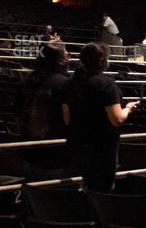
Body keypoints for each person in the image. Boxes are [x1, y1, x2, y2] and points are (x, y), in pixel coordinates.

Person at [62, 43, 139, 191]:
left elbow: (67, 119)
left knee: (85, 187)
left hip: (78, 145)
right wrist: (128, 108)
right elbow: (117, 119)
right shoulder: (106, 84)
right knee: (102, 190)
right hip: (101, 149)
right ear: (103, 61)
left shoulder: (70, 83)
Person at [18, 44, 70, 179]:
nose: (69, 60)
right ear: (60, 61)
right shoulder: (64, 84)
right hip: (55, 155)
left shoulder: (26, 82)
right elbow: (69, 120)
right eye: (66, 56)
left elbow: (17, 116)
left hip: (28, 152)